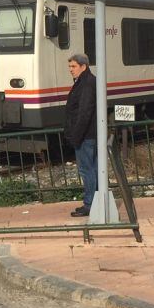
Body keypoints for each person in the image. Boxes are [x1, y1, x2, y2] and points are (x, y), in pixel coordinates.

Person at [64, 53, 97, 217]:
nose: (71, 70)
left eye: (73, 66)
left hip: (86, 136)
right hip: (89, 134)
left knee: (87, 170)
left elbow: (84, 112)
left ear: (83, 66)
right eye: (70, 67)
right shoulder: (86, 82)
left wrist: (76, 136)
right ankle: (93, 202)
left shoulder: (86, 84)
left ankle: (90, 204)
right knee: (92, 169)